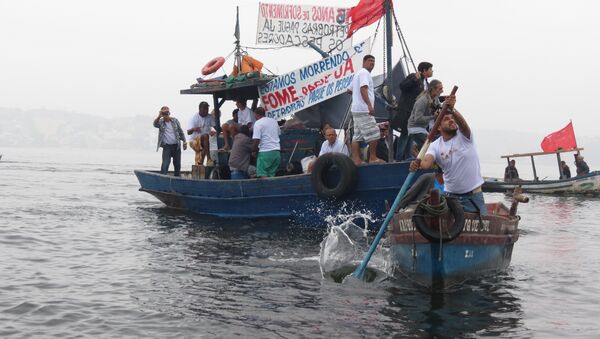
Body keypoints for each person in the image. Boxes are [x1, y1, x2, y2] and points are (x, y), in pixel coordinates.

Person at [409, 101, 487, 215]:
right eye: (446, 119)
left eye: (452, 118)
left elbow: (463, 124)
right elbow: (426, 163)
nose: (451, 120)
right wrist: (417, 164)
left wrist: (452, 110)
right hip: (451, 197)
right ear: (439, 127)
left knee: (481, 228)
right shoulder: (435, 145)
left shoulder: (465, 136)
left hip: (473, 196)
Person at [347, 54, 385, 165]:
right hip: (363, 109)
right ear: (364, 62)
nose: (372, 63)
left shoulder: (358, 74)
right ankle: (373, 158)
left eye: (373, 61)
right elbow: (363, 88)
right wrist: (369, 105)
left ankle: (357, 160)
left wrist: (357, 96)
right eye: (370, 61)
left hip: (356, 109)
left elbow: (349, 90)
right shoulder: (364, 73)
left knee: (357, 136)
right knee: (375, 132)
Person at [392, 61, 433, 161]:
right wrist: (415, 79)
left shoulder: (425, 83)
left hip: (414, 113)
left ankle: (407, 157)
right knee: (405, 134)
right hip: (407, 111)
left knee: (410, 134)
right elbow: (402, 86)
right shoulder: (414, 77)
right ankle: (399, 158)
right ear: (424, 71)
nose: (432, 71)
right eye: (430, 69)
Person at [407, 79, 443, 154]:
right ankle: (415, 149)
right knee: (431, 147)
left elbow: (439, 107)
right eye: (440, 89)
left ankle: (416, 148)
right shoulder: (423, 100)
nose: (442, 91)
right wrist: (433, 117)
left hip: (423, 129)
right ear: (433, 89)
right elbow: (417, 119)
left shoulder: (435, 99)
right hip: (415, 129)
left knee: (439, 140)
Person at [153, 106, 187, 176]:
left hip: (176, 146)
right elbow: (155, 124)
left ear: (169, 113)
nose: (166, 115)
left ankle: (177, 179)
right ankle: (162, 179)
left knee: (177, 165)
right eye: (164, 113)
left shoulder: (175, 120)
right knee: (165, 164)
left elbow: (180, 132)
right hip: (167, 146)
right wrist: (159, 116)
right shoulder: (161, 122)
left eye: (167, 113)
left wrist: (184, 141)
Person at [252, 107, 281, 178]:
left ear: (256, 114)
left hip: (265, 153)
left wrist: (253, 151)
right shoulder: (274, 121)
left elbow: (256, 140)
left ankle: (267, 189)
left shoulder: (258, 123)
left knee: (262, 174)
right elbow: (279, 133)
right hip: (276, 153)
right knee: (271, 175)